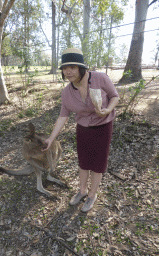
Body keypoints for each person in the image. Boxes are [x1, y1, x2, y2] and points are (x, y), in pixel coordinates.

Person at [43, 48, 119, 212]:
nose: (68, 71)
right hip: (83, 128)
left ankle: (92, 194)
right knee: (84, 162)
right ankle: (82, 190)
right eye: (65, 68)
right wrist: (51, 138)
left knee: (98, 163)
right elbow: (63, 116)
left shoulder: (99, 78)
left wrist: (108, 109)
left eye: (72, 67)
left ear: (81, 68)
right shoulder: (67, 92)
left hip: (103, 125)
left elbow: (115, 96)